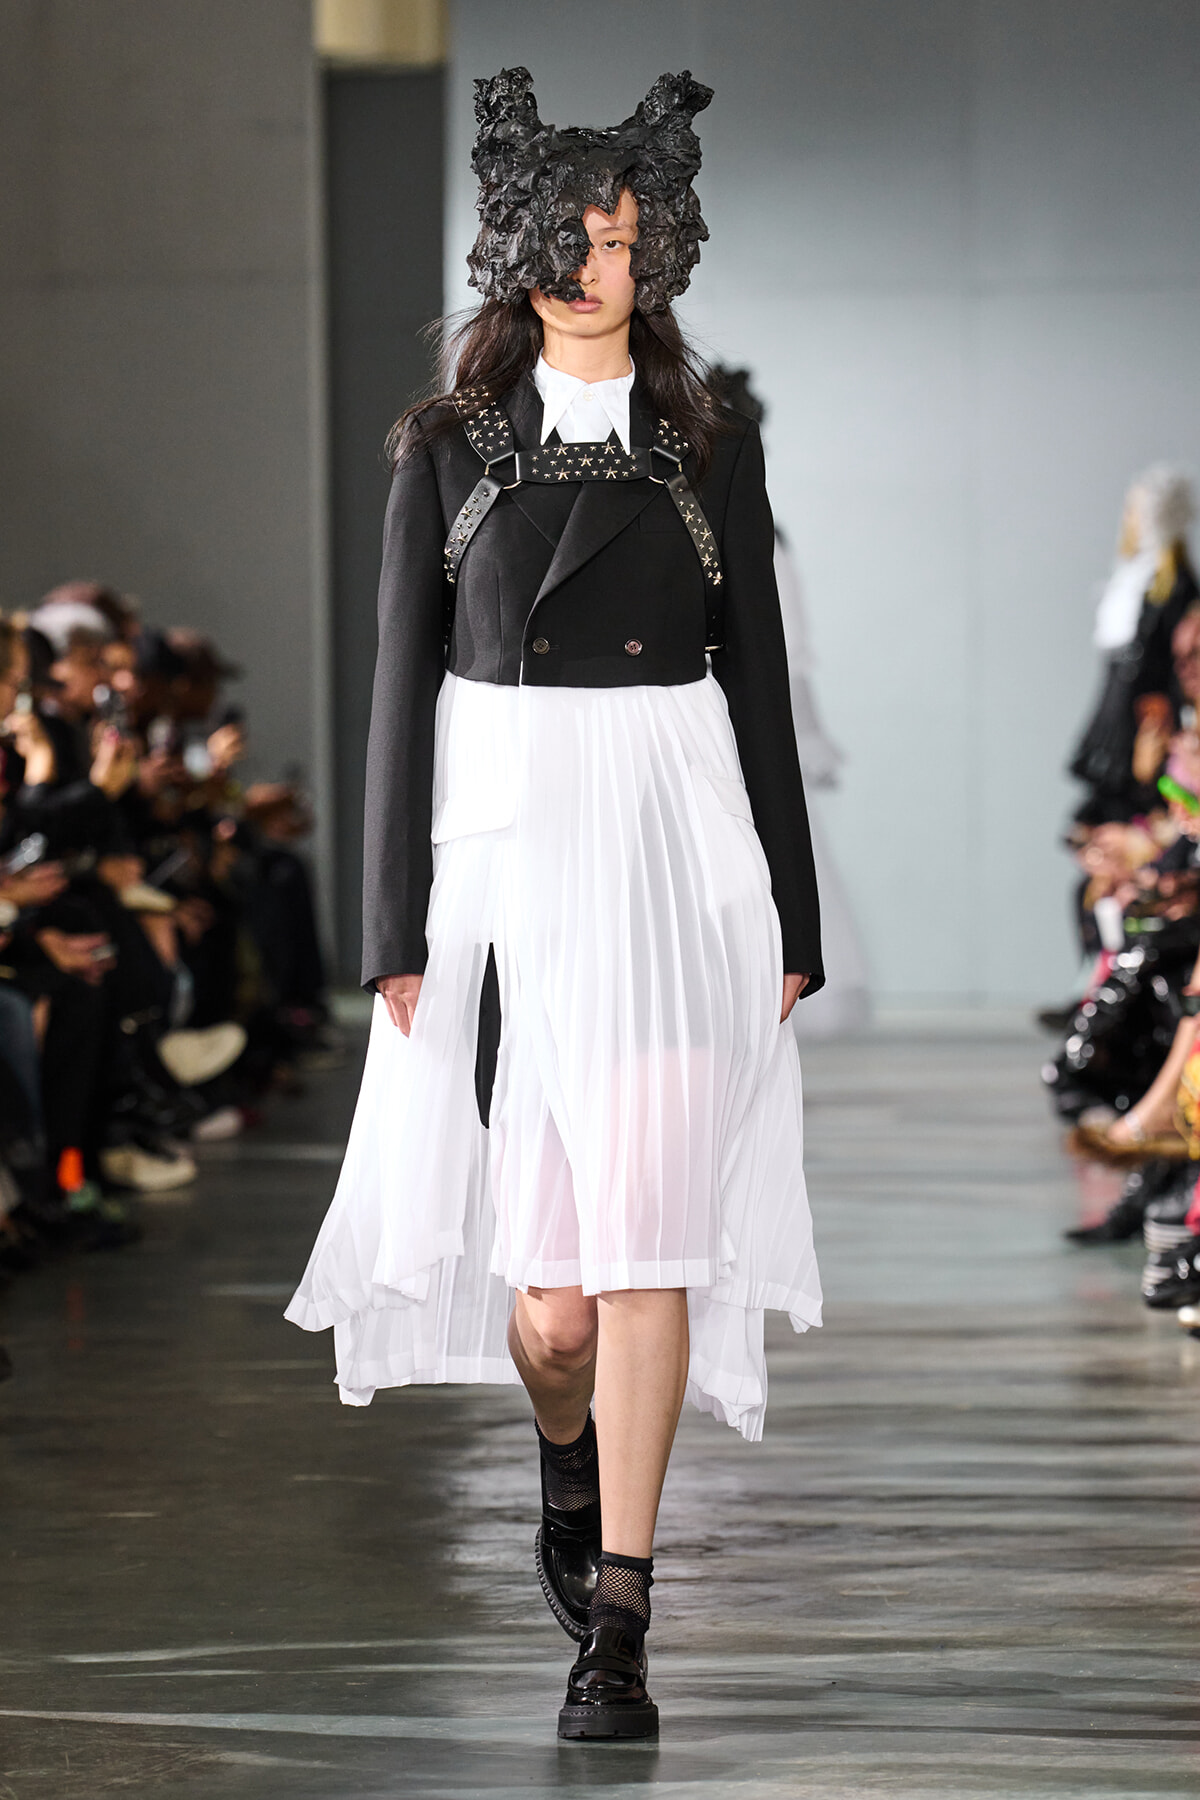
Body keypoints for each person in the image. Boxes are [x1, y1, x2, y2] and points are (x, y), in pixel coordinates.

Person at [287, 66, 823, 1741]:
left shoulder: (707, 446)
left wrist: (792, 919)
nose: (599, 268)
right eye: (573, 238)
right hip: (511, 875)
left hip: (674, 861)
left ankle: (624, 1623)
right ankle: (565, 1456)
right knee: (556, 1310)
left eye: (626, 240)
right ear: (517, 248)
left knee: (651, 1252)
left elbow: (758, 687)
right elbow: (400, 690)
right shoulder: (447, 449)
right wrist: (392, 923)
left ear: (663, 254)